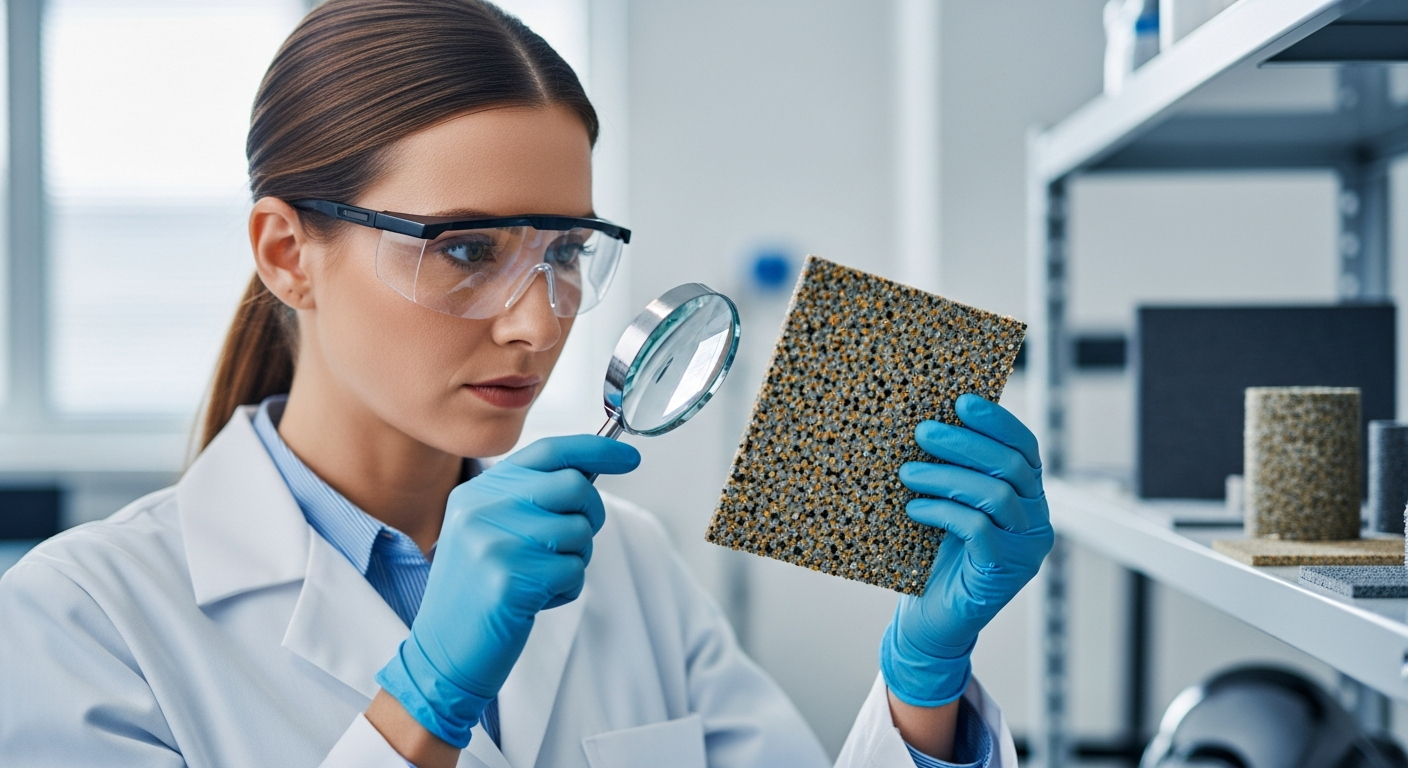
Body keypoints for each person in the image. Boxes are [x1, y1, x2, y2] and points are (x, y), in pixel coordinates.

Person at [0, 2, 1053, 766]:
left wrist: (926, 688)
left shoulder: (626, 563)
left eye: (564, 253)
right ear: (286, 252)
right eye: (464, 250)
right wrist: (423, 704)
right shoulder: (82, 618)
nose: (539, 319)